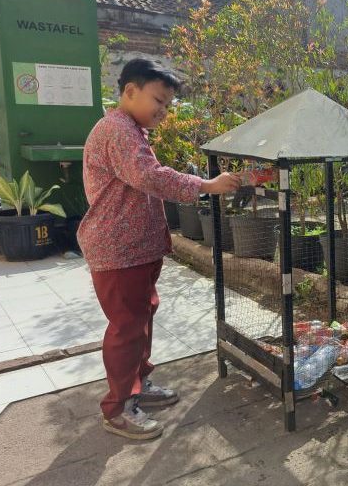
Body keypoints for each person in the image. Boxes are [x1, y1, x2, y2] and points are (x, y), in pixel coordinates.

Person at [77, 58, 241, 440]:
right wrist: (206, 185)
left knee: (142, 318)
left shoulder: (131, 130)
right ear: (130, 91)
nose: (164, 111)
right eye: (159, 100)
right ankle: (117, 408)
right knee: (127, 328)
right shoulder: (117, 130)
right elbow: (148, 176)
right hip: (118, 250)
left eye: (168, 105)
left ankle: (139, 386)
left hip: (137, 248)